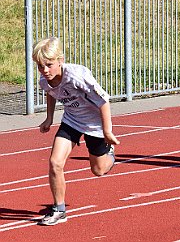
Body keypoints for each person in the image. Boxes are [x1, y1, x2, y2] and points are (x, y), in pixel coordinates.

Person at [32, 37, 120, 225]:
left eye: (49, 65)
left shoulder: (78, 76)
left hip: (94, 124)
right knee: (55, 162)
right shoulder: (44, 80)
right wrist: (49, 118)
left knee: (98, 170)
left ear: (60, 60)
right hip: (71, 121)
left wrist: (107, 131)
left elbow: (103, 101)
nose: (45, 70)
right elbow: (51, 92)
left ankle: (110, 154)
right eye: (40, 66)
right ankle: (59, 210)